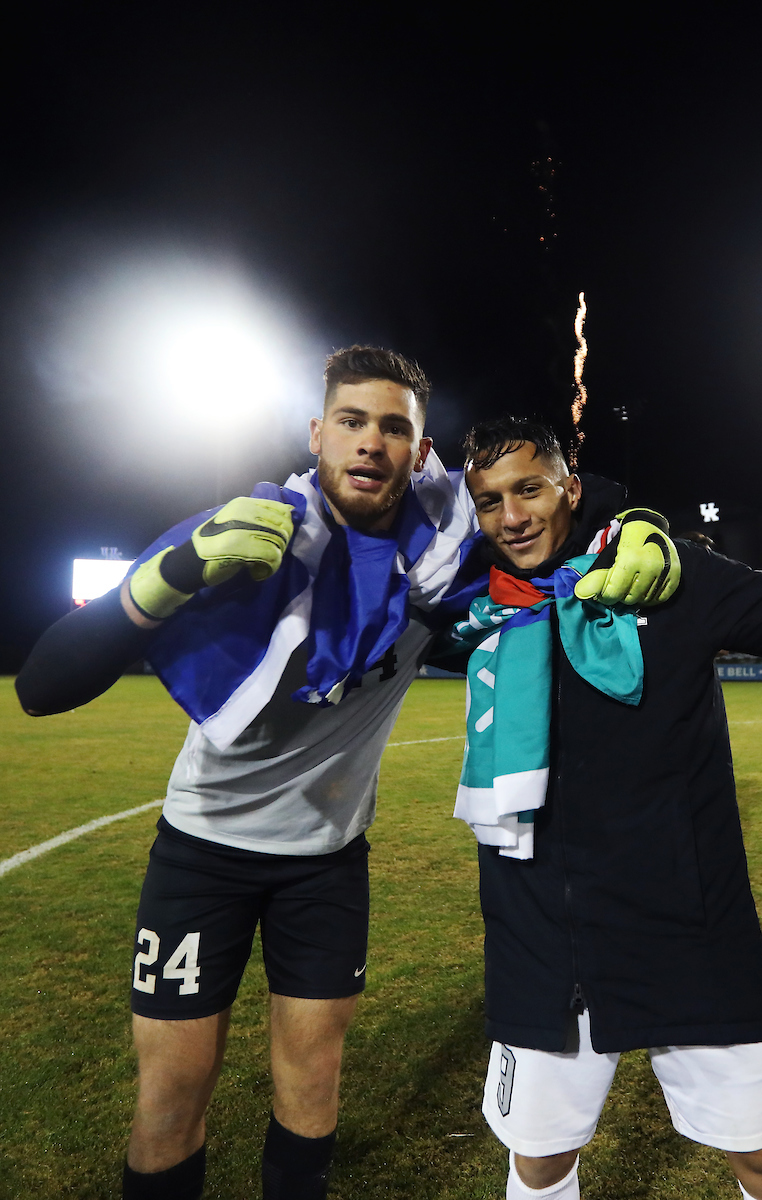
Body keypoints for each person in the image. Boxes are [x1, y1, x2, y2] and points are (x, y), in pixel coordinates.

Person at [15, 351, 676, 1200]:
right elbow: (42, 687)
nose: (371, 443)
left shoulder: (447, 548)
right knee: (170, 1102)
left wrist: (644, 521)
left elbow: (572, 497)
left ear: (417, 448)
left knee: (313, 1085)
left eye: (394, 427)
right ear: (318, 433)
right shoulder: (246, 536)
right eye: (353, 422)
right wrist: (169, 576)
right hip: (200, 856)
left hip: (326, 863)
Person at [450, 413, 762, 1200]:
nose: (512, 516)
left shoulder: (669, 573)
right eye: (490, 500)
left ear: (570, 486)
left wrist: (644, 526)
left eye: (530, 488)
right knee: (539, 1163)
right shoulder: (474, 602)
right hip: (542, 936)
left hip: (690, 926)